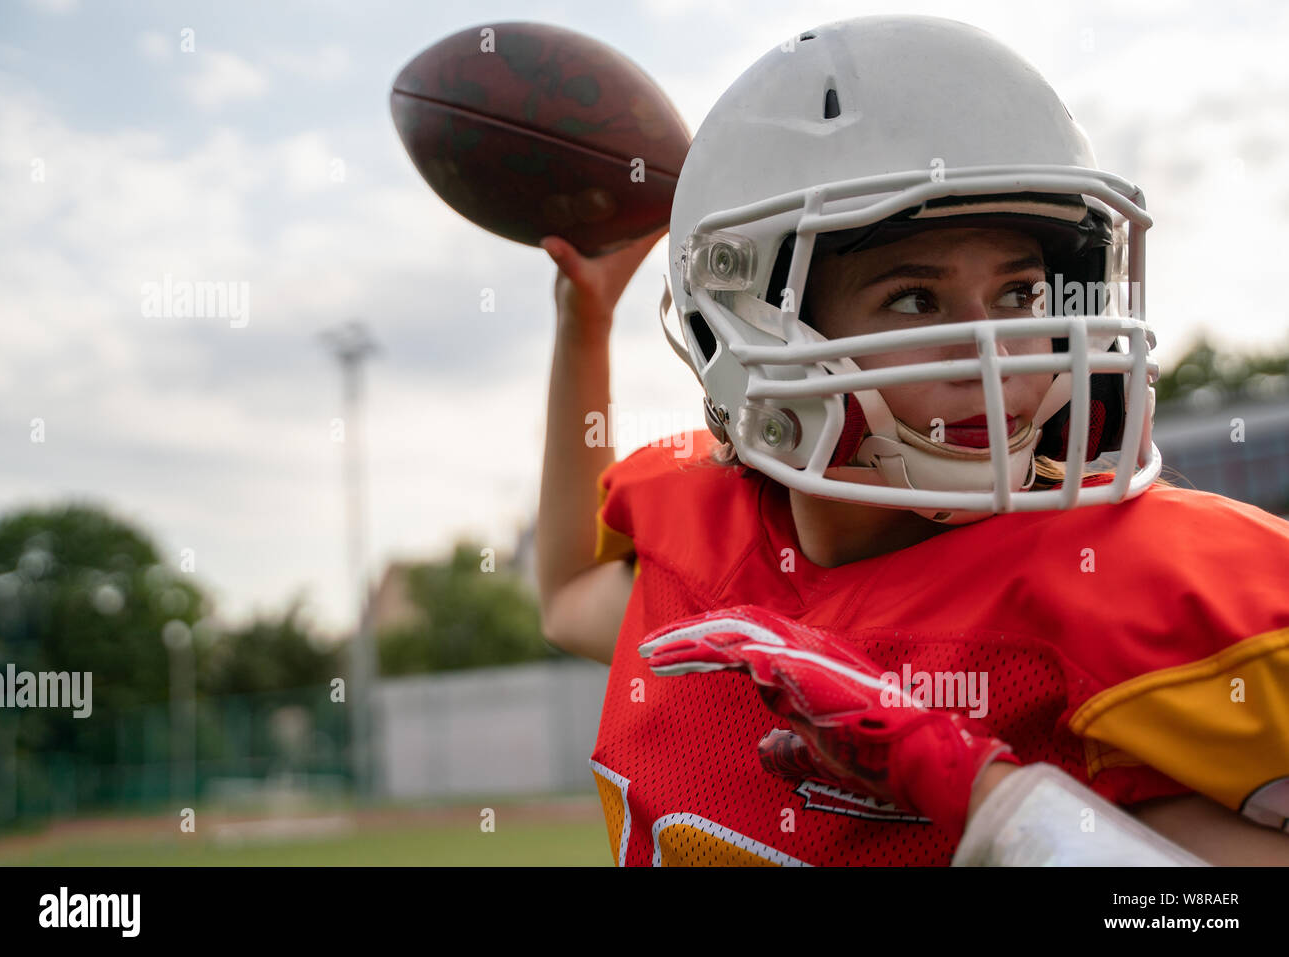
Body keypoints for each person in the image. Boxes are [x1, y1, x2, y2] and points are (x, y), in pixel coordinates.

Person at [537, 15, 1289, 866]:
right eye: (914, 300)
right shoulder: (697, 541)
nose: (995, 355)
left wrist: (992, 801)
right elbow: (567, 597)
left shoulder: (1129, 590)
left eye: (1020, 295)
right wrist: (584, 321)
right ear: (753, 326)